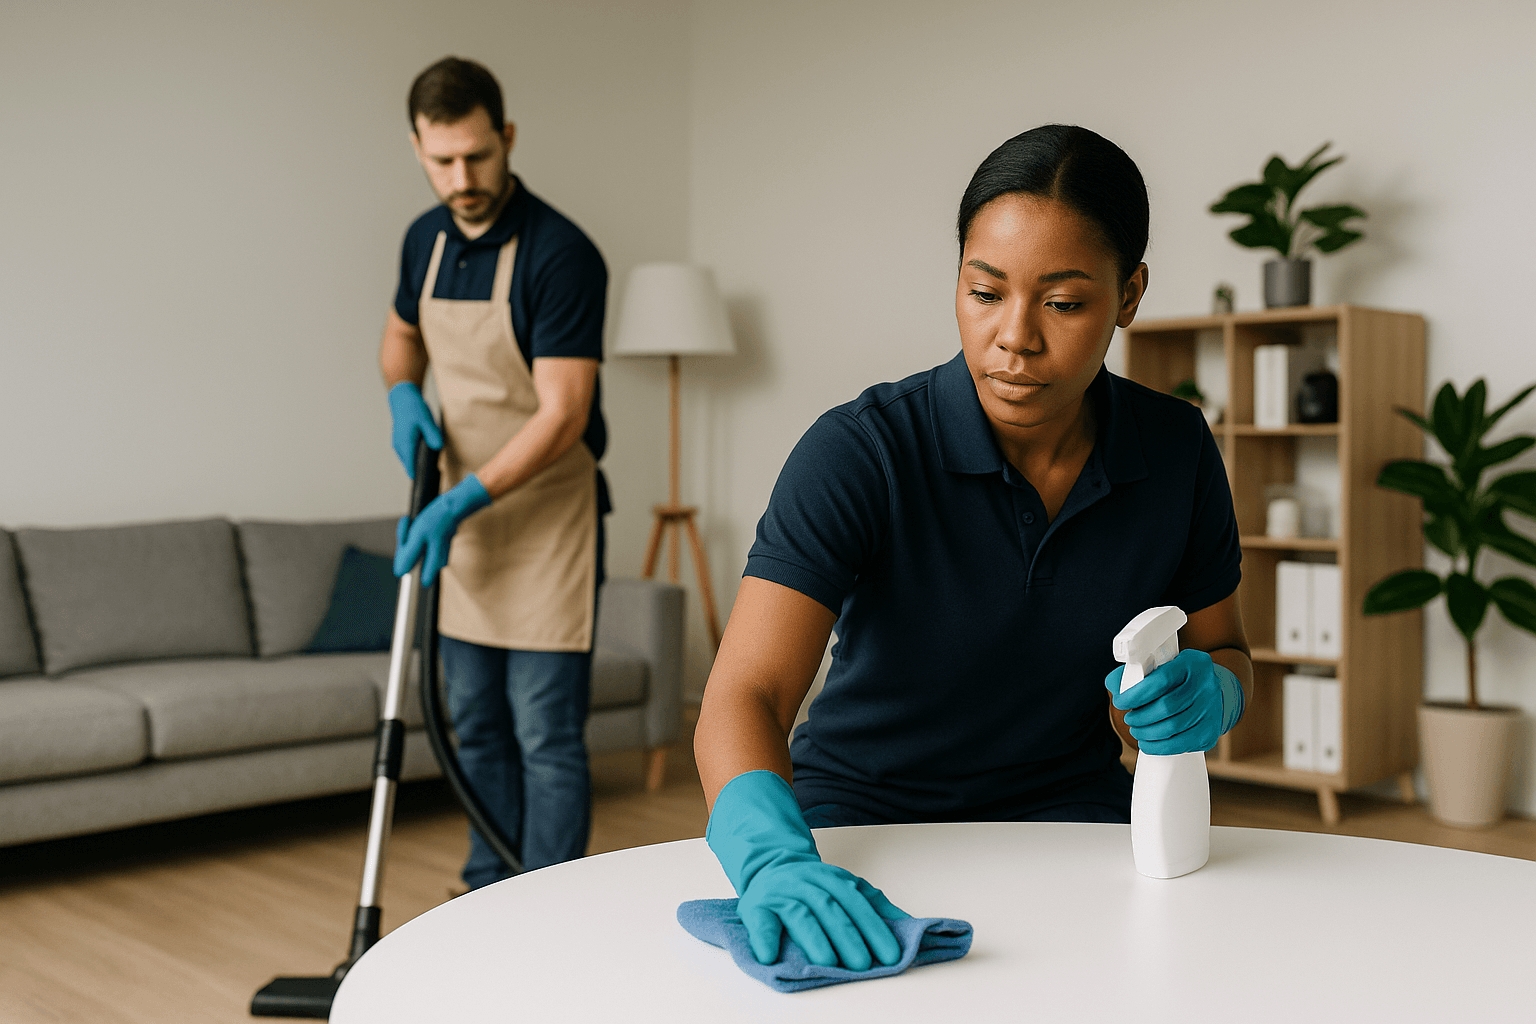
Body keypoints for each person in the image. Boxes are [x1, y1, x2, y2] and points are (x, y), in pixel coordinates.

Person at [694, 125, 1252, 971]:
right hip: (861, 823)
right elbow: (747, 694)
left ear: (1129, 295)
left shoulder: (1176, 450)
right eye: (985, 292)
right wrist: (772, 857)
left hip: (1075, 820)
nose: (1014, 337)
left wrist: (1216, 694)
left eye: (1063, 304)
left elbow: (1228, 649)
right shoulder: (861, 451)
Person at [380, 56, 609, 888]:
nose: (462, 178)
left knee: (544, 731)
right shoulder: (424, 240)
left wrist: (461, 500)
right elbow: (401, 335)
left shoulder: (561, 252)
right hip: (464, 524)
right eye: (442, 160)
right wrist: (402, 392)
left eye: (477, 156)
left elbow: (563, 413)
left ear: (506, 137)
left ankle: (549, 901)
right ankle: (487, 889)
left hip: (545, 521)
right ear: (417, 148)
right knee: (473, 722)